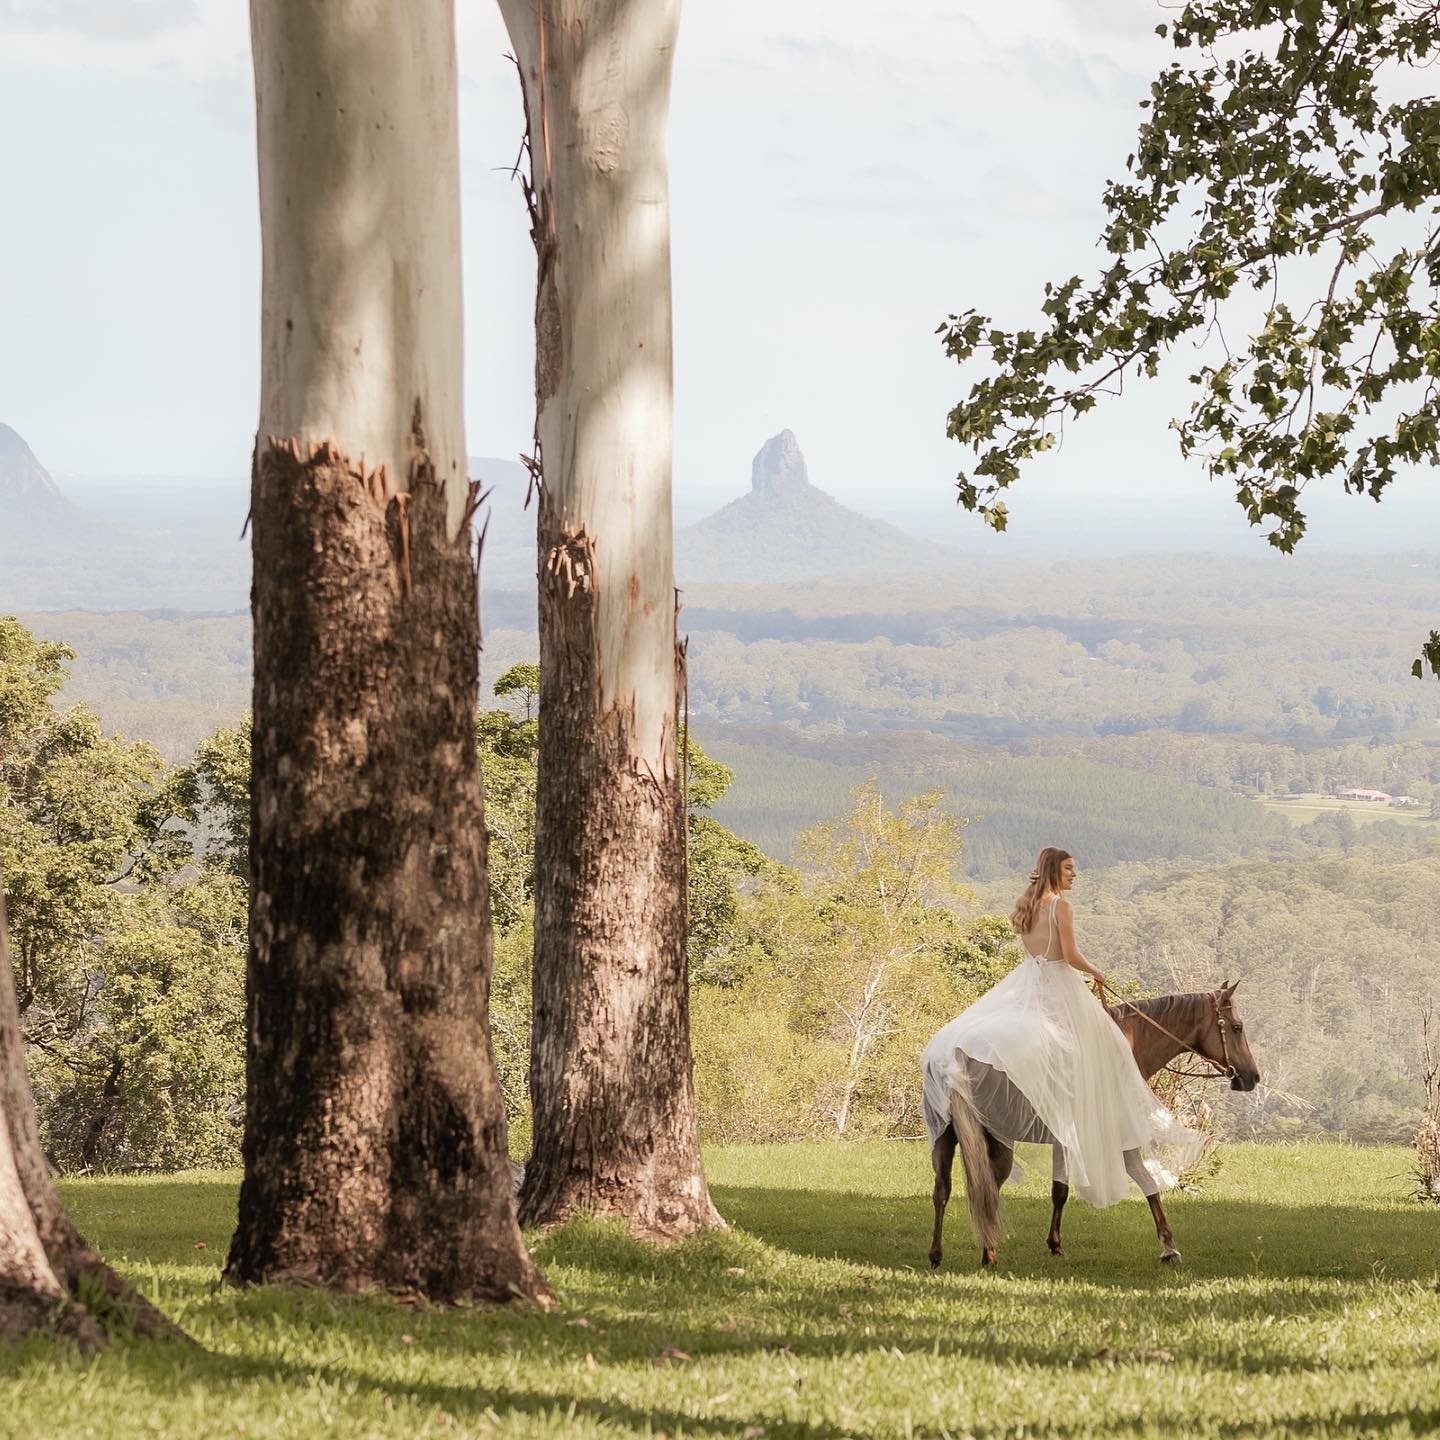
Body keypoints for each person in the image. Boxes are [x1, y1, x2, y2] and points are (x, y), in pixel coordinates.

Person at [920, 846, 1201, 1209]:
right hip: (1057, 985)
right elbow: (1068, 956)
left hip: (1028, 981)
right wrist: (1095, 971)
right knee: (1105, 1046)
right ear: (1054, 870)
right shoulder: (1060, 907)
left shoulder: (1026, 905)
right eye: (1069, 869)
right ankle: (1086, 1118)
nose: (1075, 875)